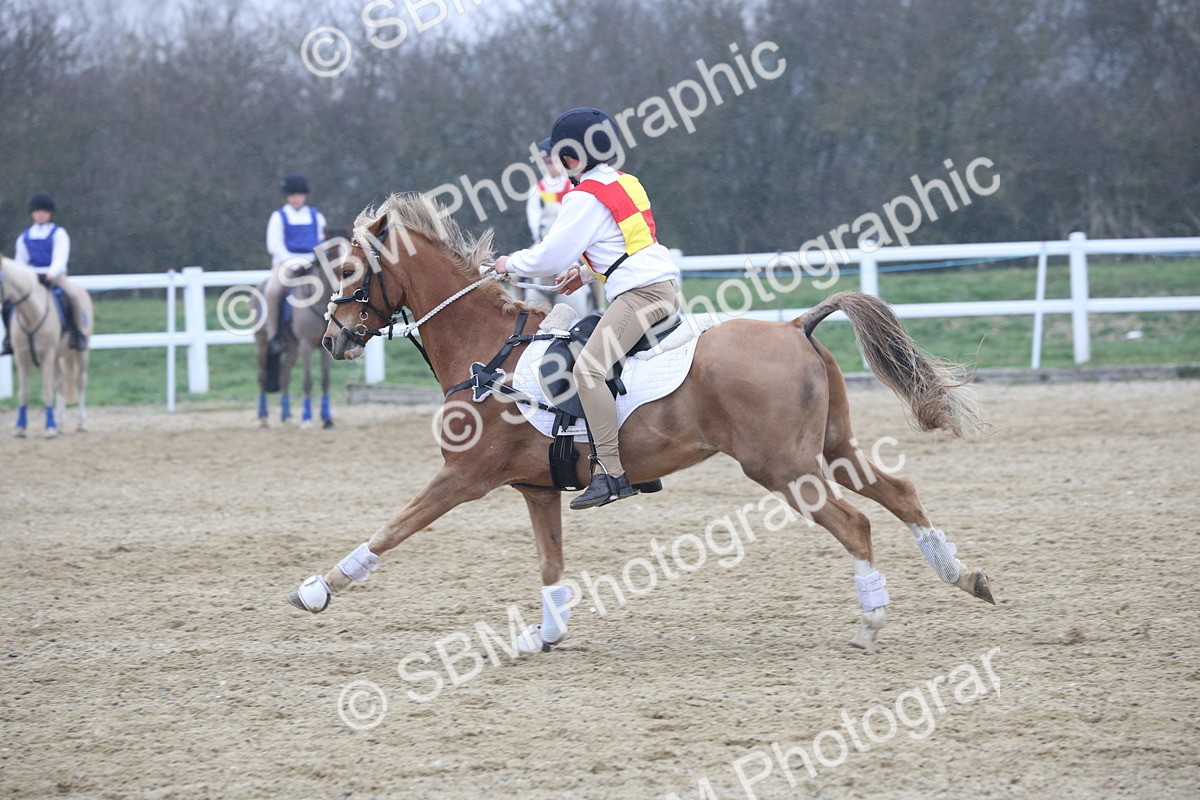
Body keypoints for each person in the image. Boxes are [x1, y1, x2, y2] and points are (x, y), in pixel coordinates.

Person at [493, 107, 682, 509]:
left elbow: (547, 258)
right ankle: (646, 465)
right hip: (660, 285)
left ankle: (611, 472)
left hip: (640, 296)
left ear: (570, 158)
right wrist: (587, 271)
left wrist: (510, 264)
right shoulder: (626, 182)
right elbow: (628, 242)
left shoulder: (582, 197)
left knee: (588, 369)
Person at [3, 192, 86, 354]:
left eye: (44, 212)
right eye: (37, 212)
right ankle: (9, 339)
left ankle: (76, 334)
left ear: (50, 214)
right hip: (31, 279)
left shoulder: (59, 233)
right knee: (8, 303)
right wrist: (27, 277)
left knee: (72, 296)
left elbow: (60, 258)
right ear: (32, 214)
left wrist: (50, 273)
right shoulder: (24, 237)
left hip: (54, 277)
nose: (40, 215)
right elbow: (20, 262)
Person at [520, 148, 596, 316]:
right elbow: (533, 219)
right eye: (547, 163)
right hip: (543, 238)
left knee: (593, 265)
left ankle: (599, 306)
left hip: (570, 240)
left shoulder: (571, 185)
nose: (551, 167)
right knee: (518, 270)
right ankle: (517, 307)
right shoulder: (537, 190)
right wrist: (541, 239)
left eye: (553, 162)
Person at [265, 173, 327, 353]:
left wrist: (313, 259)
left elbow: (324, 241)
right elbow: (274, 245)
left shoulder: (316, 216)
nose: (296, 199)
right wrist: (293, 263)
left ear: (304, 195)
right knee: (272, 291)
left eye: (299, 195)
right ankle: (273, 334)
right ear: (287, 197)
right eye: (292, 195)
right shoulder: (278, 216)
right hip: (285, 264)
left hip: (313, 263)